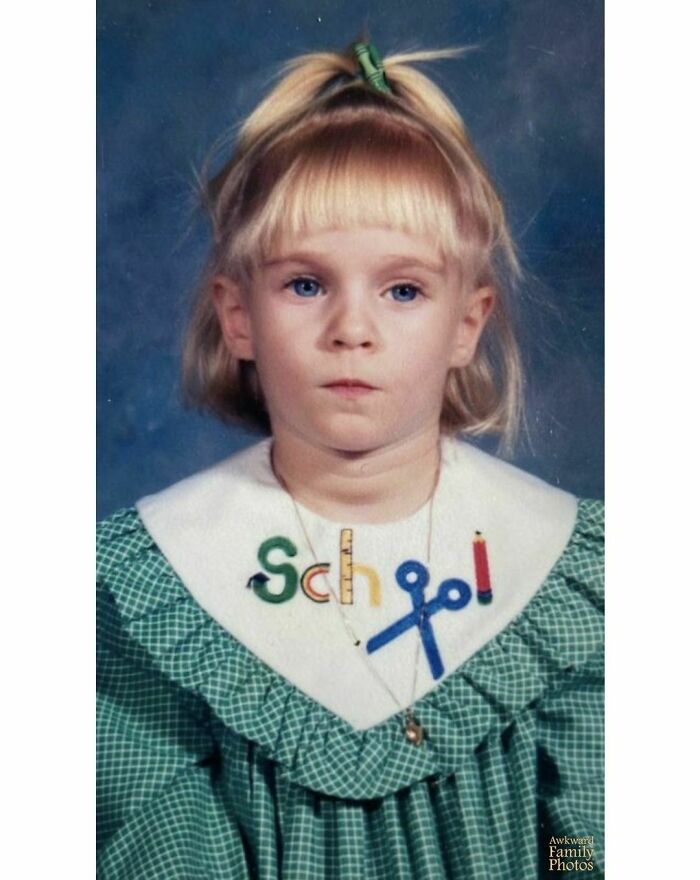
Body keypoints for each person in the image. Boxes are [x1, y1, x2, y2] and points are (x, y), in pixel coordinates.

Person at [97, 41, 603, 879]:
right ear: (237, 317)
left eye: (402, 290)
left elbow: (581, 844)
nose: (352, 329)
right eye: (306, 284)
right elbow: (159, 850)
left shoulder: (571, 585)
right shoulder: (148, 595)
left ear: (466, 326)